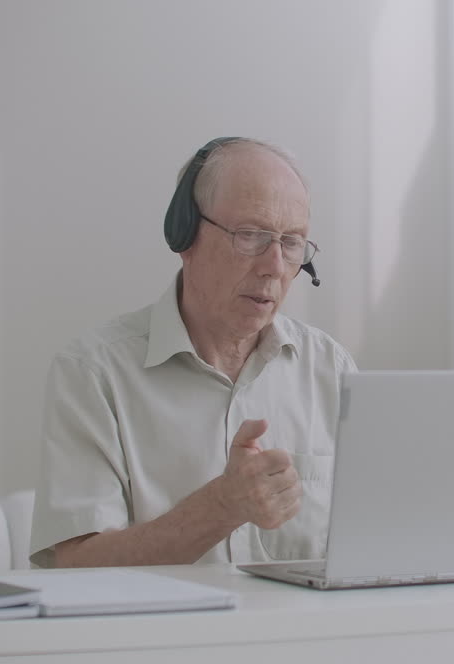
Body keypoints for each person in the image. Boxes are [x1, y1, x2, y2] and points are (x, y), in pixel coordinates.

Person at [29, 137, 356, 568]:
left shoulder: (332, 369)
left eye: (291, 242)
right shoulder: (93, 373)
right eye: (251, 235)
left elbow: (373, 542)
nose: (275, 267)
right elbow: (77, 568)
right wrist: (222, 506)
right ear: (184, 235)